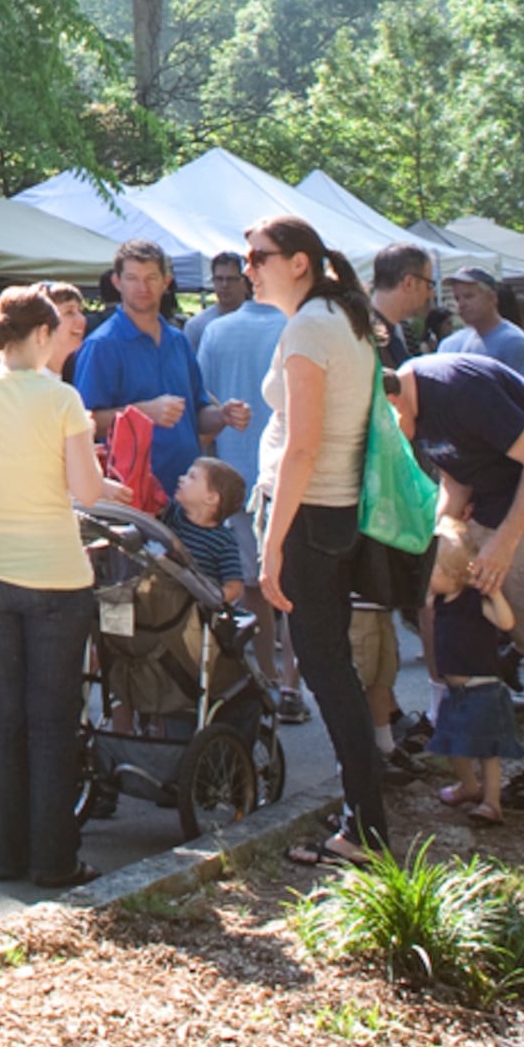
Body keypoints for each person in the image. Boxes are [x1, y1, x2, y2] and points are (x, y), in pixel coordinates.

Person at [389, 349, 524, 815]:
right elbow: (457, 479)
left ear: (395, 403)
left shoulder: (459, 389)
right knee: (445, 601)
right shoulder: (413, 410)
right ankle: (462, 725)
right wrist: (436, 535)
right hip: (495, 501)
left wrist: (504, 543)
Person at [0, 285, 109, 886]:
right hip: (56, 573)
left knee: (2, 718)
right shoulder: (63, 398)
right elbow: (88, 492)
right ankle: (52, 858)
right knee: (52, 722)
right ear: (42, 335)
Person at [247, 214, 390, 866]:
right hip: (332, 513)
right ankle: (364, 819)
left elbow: (302, 445)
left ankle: (366, 827)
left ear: (298, 261)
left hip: (310, 518)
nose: (248, 267)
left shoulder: (311, 324)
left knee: (328, 672)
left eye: (258, 256)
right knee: (335, 672)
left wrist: (273, 544)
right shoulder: (340, 317)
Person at [193, 251, 295, 716]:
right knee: (292, 587)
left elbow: (205, 411)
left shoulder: (214, 332)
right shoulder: (291, 327)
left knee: (256, 586)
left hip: (235, 478)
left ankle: (270, 679)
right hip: (285, 474)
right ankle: (291, 681)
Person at [78, 239, 224, 507]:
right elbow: (83, 425)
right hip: (133, 499)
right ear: (116, 282)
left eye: (151, 278)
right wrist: (143, 412)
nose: (142, 288)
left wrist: (222, 416)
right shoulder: (102, 345)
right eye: (132, 278)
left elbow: (198, 413)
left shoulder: (178, 341)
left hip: (186, 497)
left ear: (166, 282)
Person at [424, 523, 523, 825]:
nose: (427, 576)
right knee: (452, 743)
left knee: (486, 750)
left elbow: (506, 623)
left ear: (453, 575)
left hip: (483, 689)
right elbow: (423, 599)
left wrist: (495, 595)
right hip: (455, 692)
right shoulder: (438, 601)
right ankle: (468, 785)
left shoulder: (474, 600)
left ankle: (491, 801)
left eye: (432, 570)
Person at [436, 269, 524, 386]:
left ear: (491, 298)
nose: (461, 304)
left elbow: (523, 397)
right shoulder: (450, 345)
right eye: (457, 298)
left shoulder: (514, 343)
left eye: (468, 296)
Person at [168, 457, 248, 606]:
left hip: (193, 613)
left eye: (192, 477)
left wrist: (209, 600)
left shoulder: (223, 541)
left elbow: (235, 587)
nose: (181, 479)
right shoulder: (171, 514)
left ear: (211, 498)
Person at [368, 245, 437, 368]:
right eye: (429, 285)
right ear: (409, 283)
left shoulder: (404, 330)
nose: (431, 294)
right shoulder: (364, 332)